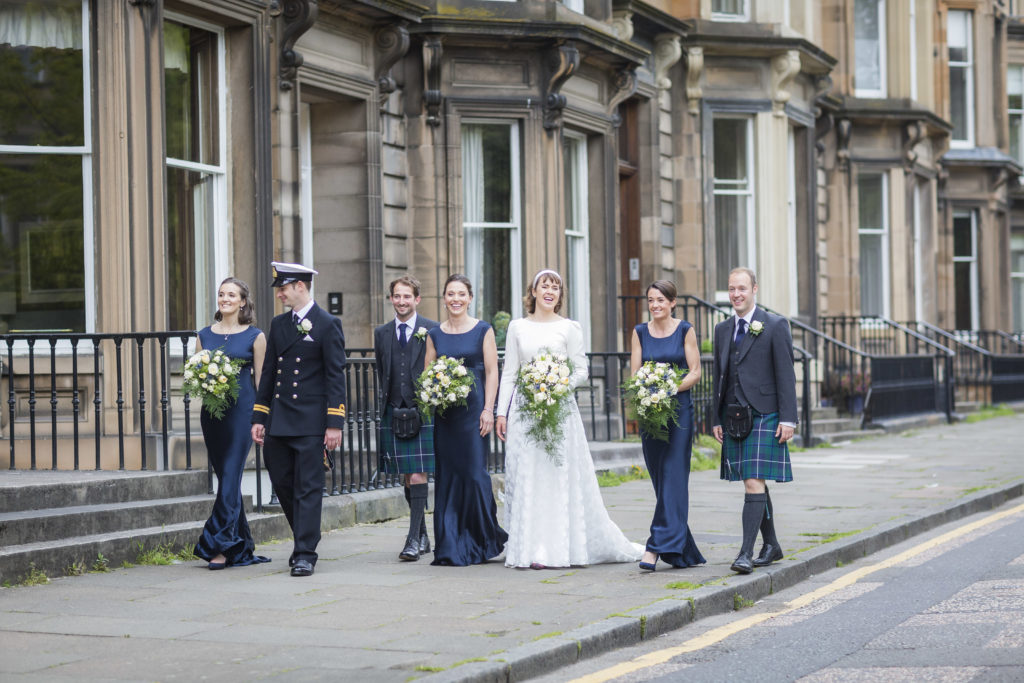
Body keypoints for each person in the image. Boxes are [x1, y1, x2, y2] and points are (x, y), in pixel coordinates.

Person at [496, 269, 642, 569]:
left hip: (558, 411)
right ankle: (531, 548)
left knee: (556, 477)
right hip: (525, 411)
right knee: (529, 477)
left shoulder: (570, 328)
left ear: (559, 296)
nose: (550, 291)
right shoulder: (517, 328)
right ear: (533, 291)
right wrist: (501, 411)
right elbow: (510, 373)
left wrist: (556, 383)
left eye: (556, 287)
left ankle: (558, 548)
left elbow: (580, 370)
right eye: (544, 286)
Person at [251, 262, 347, 577]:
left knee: (308, 487)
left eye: (284, 288)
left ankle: (305, 552)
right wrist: (259, 416)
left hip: (311, 420)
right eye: (279, 288)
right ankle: (304, 536)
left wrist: (334, 423)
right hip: (279, 419)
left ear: (301, 287)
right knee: (282, 482)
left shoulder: (327, 323)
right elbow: (268, 373)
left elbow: (335, 376)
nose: (279, 294)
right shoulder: (278, 325)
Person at [712, 267, 797, 575]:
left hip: (766, 412)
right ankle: (772, 545)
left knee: (752, 480)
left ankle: (746, 553)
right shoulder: (723, 329)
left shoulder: (774, 325)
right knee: (754, 480)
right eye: (732, 289)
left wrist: (789, 418)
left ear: (754, 289)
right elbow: (718, 377)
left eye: (742, 289)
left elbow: (786, 374)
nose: (736, 294)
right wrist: (716, 417)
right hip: (735, 416)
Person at [424, 274, 507, 566]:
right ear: (444, 298)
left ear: (470, 298)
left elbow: (492, 371)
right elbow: (428, 376)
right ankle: (449, 544)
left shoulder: (483, 330)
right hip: (446, 416)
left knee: (474, 474)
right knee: (448, 477)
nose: (455, 299)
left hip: (474, 414)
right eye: (450, 294)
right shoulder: (435, 334)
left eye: (461, 294)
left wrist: (489, 409)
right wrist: (434, 392)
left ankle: (481, 540)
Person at [194, 277, 271, 570]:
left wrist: (262, 417)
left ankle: (216, 546)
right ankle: (241, 545)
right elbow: (196, 374)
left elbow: (262, 380)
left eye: (231, 295)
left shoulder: (255, 336)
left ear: (242, 302)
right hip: (213, 415)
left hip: (243, 413)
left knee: (229, 475)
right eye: (221, 294)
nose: (225, 299)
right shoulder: (204, 335)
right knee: (228, 480)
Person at [629, 280, 706, 572]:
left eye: (661, 300)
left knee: (674, 477)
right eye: (651, 300)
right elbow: (635, 374)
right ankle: (682, 551)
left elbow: (695, 371)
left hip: (679, 413)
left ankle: (655, 547)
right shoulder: (639, 332)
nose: (655, 305)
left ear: (672, 302)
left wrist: (669, 387)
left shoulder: (685, 330)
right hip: (651, 415)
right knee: (662, 481)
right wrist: (647, 392)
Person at [374, 275, 439, 562]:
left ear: (417, 299)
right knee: (407, 477)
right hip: (393, 411)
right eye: (397, 296)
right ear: (391, 299)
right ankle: (422, 533)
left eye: (407, 296)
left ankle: (412, 539)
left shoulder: (432, 329)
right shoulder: (382, 333)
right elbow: (382, 370)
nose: (401, 301)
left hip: (422, 410)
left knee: (418, 473)